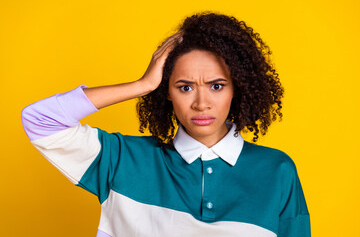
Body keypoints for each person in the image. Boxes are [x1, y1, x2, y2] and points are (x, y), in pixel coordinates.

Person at [21, 12, 311, 237]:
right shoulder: (122, 160)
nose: (201, 103)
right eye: (185, 87)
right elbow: (41, 120)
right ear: (166, 92)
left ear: (238, 89)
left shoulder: (277, 171)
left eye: (217, 86)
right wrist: (141, 84)